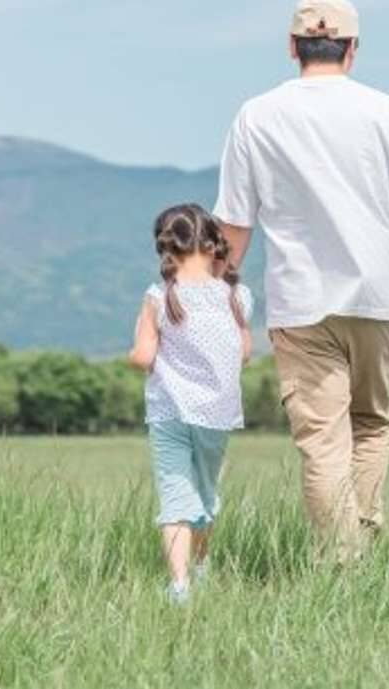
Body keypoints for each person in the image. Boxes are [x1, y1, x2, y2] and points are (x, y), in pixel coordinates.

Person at [212, 0, 389, 562]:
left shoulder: (256, 115)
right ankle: (361, 555)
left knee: (322, 442)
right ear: (352, 49)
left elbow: (233, 224)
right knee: (371, 425)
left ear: (292, 48)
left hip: (300, 303)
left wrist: (223, 295)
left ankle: (342, 560)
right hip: (378, 297)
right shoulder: (388, 112)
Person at [128, 203, 254, 604]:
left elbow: (144, 356)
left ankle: (179, 585)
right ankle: (202, 565)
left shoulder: (159, 297)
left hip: (169, 413)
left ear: (166, 248)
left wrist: (136, 349)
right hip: (217, 415)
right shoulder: (236, 297)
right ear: (212, 243)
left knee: (176, 498)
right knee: (205, 491)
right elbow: (245, 352)